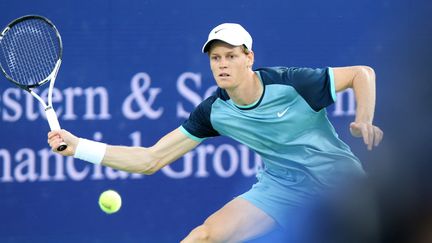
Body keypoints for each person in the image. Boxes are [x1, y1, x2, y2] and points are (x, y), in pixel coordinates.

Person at [48, 23, 383, 242]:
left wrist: (364, 119)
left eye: (231, 56)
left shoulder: (291, 82)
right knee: (203, 237)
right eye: (216, 58)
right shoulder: (215, 111)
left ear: (248, 58)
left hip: (340, 186)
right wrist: (78, 148)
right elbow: (150, 159)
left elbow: (362, 73)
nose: (222, 64)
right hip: (280, 188)